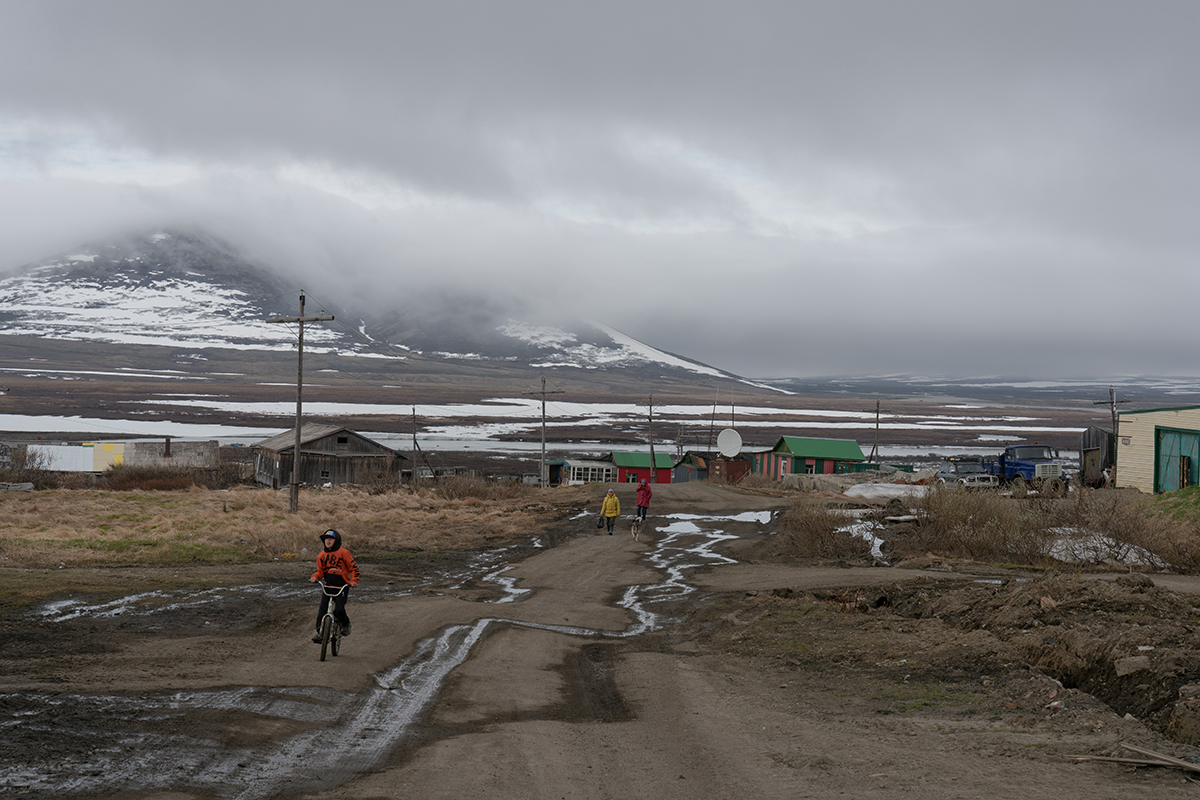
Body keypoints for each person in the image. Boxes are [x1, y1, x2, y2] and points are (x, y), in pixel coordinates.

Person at [309, 528, 359, 643]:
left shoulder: (344, 553)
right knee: (322, 609)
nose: (328, 541)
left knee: (339, 609)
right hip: (329, 586)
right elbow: (320, 571)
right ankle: (320, 633)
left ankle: (345, 624)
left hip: (342, 586)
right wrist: (315, 577)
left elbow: (354, 568)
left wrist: (354, 580)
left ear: (336, 541)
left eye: (331, 539)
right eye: (326, 539)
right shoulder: (322, 555)